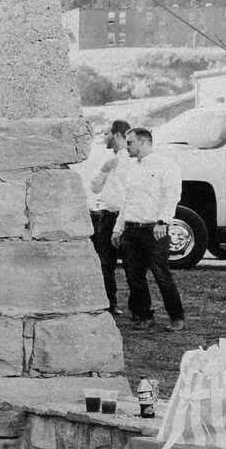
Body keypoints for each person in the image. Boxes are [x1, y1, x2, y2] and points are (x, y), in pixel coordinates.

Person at [111, 126, 185, 329]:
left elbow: (172, 194)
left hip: (155, 229)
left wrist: (163, 221)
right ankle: (144, 316)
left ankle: (176, 317)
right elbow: (126, 201)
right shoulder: (132, 168)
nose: (127, 147)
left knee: (162, 275)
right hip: (132, 229)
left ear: (143, 142)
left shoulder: (165, 165)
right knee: (134, 276)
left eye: (130, 143)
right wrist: (118, 228)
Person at [79, 122, 129, 315]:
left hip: (124, 214)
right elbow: (95, 187)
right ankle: (110, 302)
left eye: (108, 133)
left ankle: (138, 308)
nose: (104, 137)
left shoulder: (130, 160)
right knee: (106, 263)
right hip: (107, 215)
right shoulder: (109, 159)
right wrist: (104, 170)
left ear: (116, 135)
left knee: (131, 265)